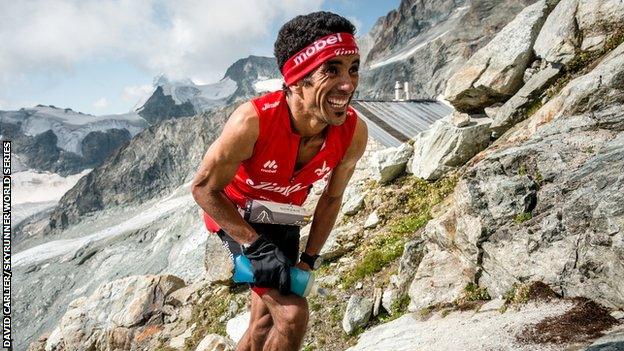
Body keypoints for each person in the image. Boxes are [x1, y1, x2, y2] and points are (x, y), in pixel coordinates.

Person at [191, 11, 368, 351]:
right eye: (331, 70)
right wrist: (254, 245)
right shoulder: (252, 121)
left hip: (282, 219)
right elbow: (203, 188)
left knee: (262, 324)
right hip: (235, 218)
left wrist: (310, 258)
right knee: (291, 314)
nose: (348, 84)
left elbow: (331, 199)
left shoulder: (353, 132)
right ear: (298, 78)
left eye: (353, 68)